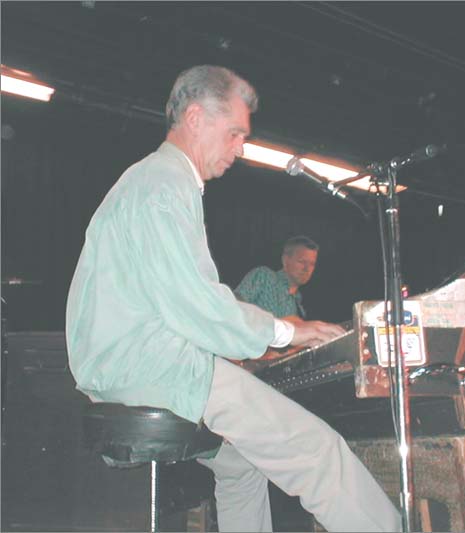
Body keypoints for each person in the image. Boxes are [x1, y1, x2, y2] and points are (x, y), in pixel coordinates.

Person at [65, 65, 400, 532]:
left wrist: (275, 335)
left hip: (124, 367)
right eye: (236, 134)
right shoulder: (164, 184)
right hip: (155, 367)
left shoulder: (151, 181)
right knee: (319, 451)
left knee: (240, 464)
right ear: (197, 118)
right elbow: (195, 305)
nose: (240, 149)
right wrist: (287, 331)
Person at [234, 235, 320, 322]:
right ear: (285, 261)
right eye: (302, 261)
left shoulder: (299, 303)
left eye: (312, 264)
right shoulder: (264, 276)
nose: (307, 269)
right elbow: (234, 306)